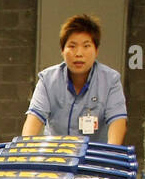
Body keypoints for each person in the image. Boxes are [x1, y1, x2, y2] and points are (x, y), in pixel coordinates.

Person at [22, 13, 127, 146]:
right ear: (62, 50)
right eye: (72, 46)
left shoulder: (111, 80)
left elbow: (118, 121)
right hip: (55, 159)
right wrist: (25, 150)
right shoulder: (47, 80)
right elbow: (34, 119)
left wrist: (112, 153)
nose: (78, 53)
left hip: (94, 159)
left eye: (86, 46)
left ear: (96, 50)